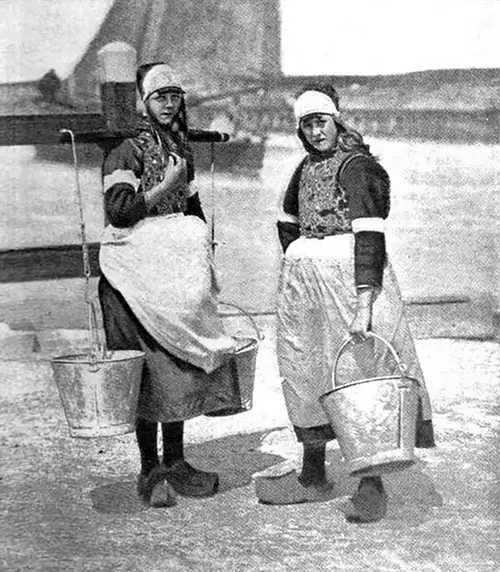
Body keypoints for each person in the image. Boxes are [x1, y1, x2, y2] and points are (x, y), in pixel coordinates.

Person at [256, 83, 435, 522]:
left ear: (336, 121)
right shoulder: (303, 169)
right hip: (307, 288)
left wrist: (364, 303)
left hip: (351, 280)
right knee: (305, 369)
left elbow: (370, 236)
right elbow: (288, 221)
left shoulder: (357, 168)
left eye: (322, 122)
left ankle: (371, 484)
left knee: (361, 374)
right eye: (308, 125)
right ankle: (313, 475)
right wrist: (301, 261)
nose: (317, 132)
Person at [98, 63, 241, 508]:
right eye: (160, 96)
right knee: (147, 373)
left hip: (174, 276)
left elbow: (193, 205)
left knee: (178, 367)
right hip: (133, 277)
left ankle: (176, 460)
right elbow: (119, 211)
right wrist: (165, 186)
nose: (169, 103)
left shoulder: (180, 148)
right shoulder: (125, 151)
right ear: (143, 101)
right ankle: (149, 468)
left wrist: (202, 261)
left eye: (175, 95)